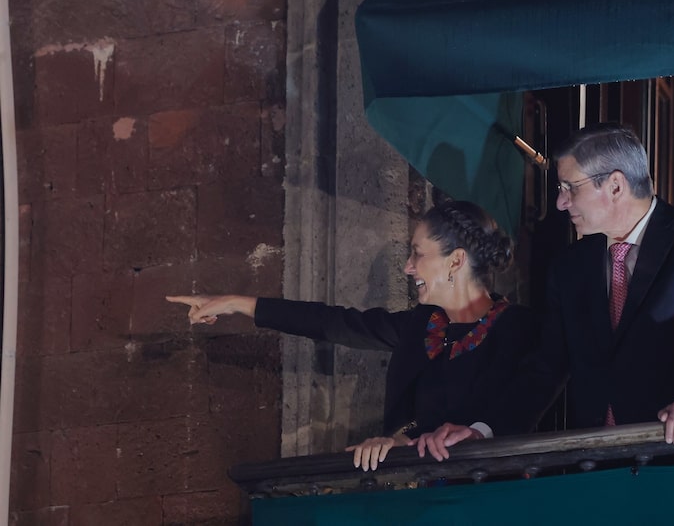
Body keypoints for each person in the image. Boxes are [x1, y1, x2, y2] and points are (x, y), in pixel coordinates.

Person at [167, 200, 540, 471]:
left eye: (417, 253)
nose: (409, 268)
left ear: (455, 261)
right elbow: (332, 323)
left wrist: (471, 434)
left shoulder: (520, 328)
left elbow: (517, 410)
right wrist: (234, 302)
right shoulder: (421, 325)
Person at [532, 122, 674, 458]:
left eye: (570, 187)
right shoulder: (569, 267)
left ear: (615, 185)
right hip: (596, 478)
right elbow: (546, 367)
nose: (560, 202)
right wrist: (484, 428)